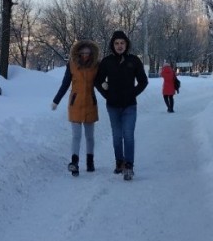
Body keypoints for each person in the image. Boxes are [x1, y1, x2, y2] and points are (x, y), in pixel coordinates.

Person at [94, 30, 148, 180]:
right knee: (117, 136)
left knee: (128, 135)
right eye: (116, 43)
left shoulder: (134, 60)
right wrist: (107, 94)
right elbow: (97, 81)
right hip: (112, 106)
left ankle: (129, 165)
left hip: (130, 106)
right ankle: (119, 162)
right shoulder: (107, 61)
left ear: (126, 44)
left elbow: (143, 81)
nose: (119, 46)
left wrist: (133, 93)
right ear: (113, 45)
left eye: (122, 43)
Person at [52, 40, 100, 176]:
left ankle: (90, 161)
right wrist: (56, 100)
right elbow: (65, 84)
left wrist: (108, 92)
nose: (85, 55)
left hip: (90, 104)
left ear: (92, 53)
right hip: (76, 104)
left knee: (89, 136)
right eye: (82, 52)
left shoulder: (96, 65)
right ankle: (74, 163)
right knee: (76, 136)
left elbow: (100, 82)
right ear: (78, 52)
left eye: (87, 53)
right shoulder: (72, 65)